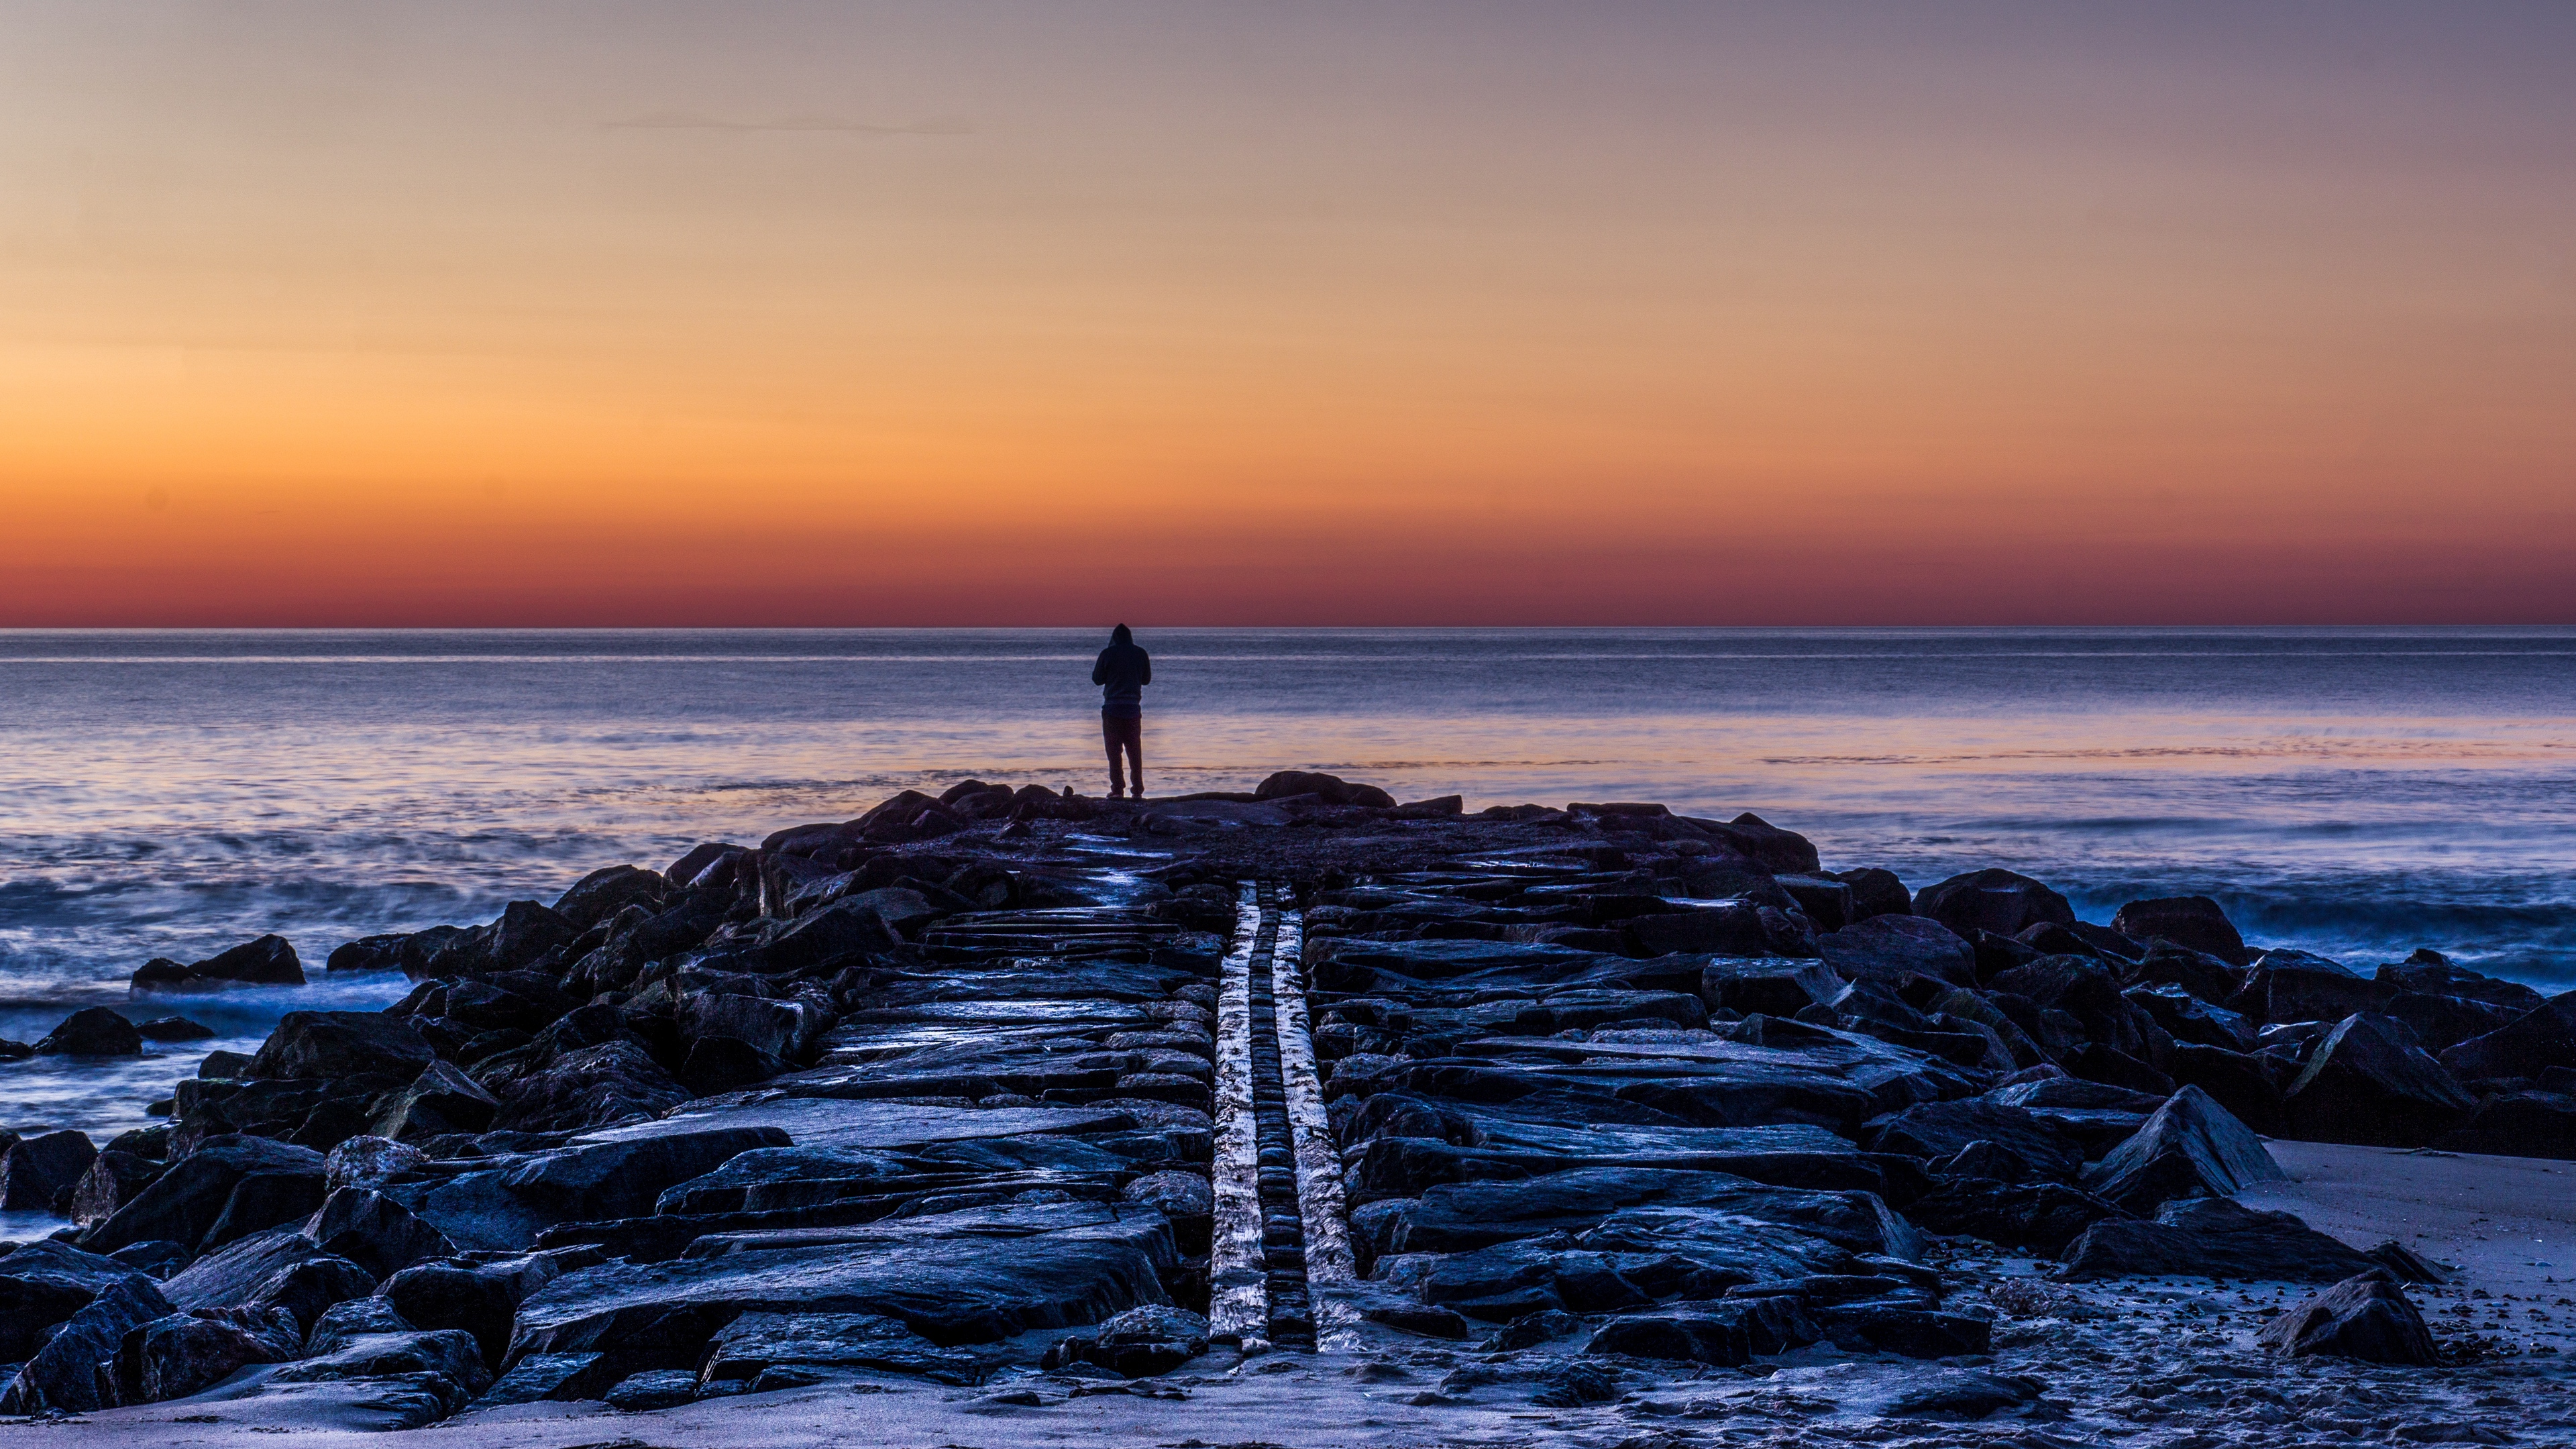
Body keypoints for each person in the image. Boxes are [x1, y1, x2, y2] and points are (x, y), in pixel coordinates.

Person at [1091, 623, 1151, 798]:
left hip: (1112, 708)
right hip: (1133, 708)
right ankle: (1138, 790)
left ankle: (1117, 789)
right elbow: (1146, 680)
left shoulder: (1107, 654)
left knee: (1114, 752)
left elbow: (1097, 679)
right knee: (1134, 751)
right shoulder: (1140, 653)